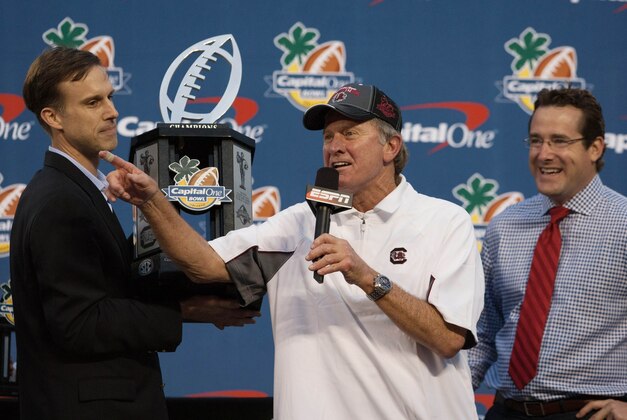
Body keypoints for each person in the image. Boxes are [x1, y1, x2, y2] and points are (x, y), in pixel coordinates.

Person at [102, 83, 485, 419]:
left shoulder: (443, 221)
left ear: (391, 146)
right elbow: (204, 264)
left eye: (350, 133)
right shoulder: (298, 223)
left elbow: (448, 338)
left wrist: (367, 277)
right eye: (327, 137)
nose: (334, 147)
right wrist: (152, 202)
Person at [10, 47, 259, 420]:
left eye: (109, 97)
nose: (112, 112)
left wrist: (155, 214)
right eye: (93, 102)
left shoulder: (76, 191)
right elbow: (80, 323)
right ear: (53, 117)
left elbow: (109, 289)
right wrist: (186, 311)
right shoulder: (60, 200)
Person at [468, 88, 627, 419]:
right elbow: (482, 331)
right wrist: (443, 396)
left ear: (595, 147)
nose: (544, 153)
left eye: (560, 141)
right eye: (536, 140)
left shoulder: (623, 223)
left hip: (590, 412)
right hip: (505, 411)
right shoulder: (505, 226)